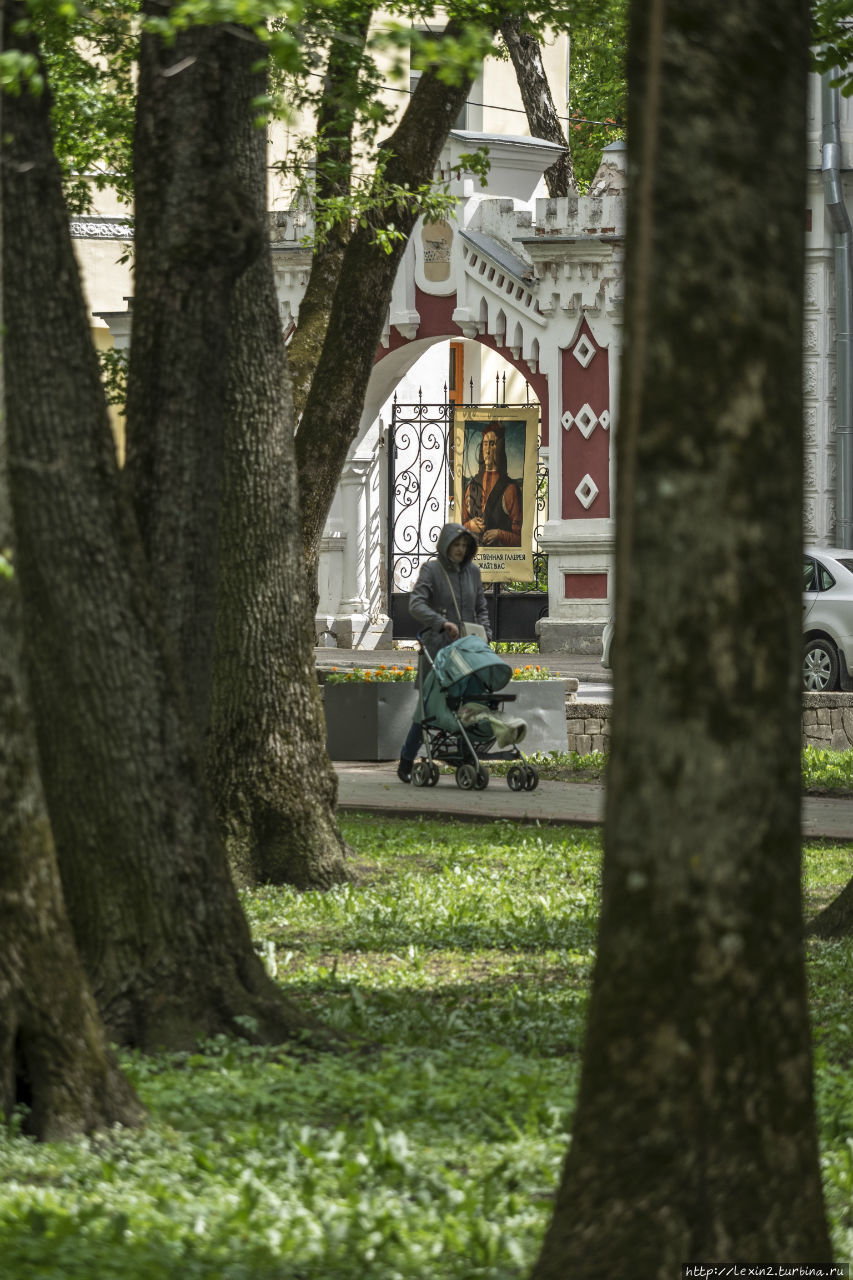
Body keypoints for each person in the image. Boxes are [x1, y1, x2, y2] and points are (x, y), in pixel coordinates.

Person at [397, 522, 491, 783]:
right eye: (456, 545)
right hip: (438, 649)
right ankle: (406, 759)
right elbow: (416, 604)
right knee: (428, 706)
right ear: (446, 546)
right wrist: (441, 622)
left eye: (464, 545)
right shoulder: (432, 570)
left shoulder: (472, 572)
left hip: (468, 649)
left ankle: (467, 757)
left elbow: (481, 607)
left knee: (467, 701)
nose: (460, 549)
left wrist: (486, 635)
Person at [462, 422, 522, 546]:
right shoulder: (471, 487)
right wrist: (469, 526)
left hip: (502, 562)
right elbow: (458, 528)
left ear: (499, 447)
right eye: (485, 444)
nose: (488, 450)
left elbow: (521, 538)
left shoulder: (510, 489)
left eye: (492, 444)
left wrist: (500, 534)